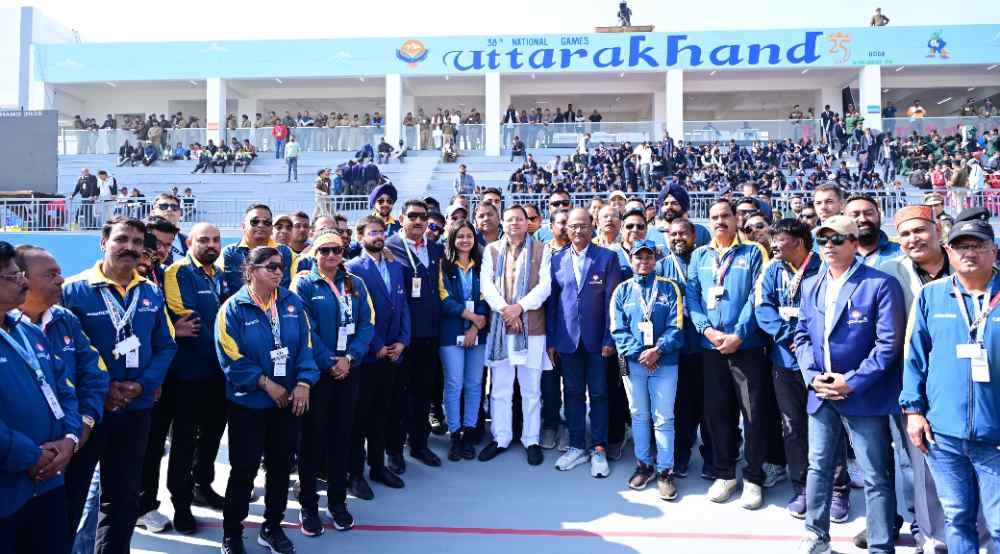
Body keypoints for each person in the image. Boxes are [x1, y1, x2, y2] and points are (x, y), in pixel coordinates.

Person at [62, 217, 177, 552]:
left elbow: (166, 346)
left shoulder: (150, 291)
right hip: (89, 414)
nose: (130, 247)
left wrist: (143, 385)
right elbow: (66, 355)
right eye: (122, 239)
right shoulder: (73, 290)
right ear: (104, 243)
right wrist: (104, 390)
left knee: (123, 498)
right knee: (72, 497)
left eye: (137, 242)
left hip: (136, 409)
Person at [792, 215, 905, 554]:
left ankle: (881, 545)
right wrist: (812, 377)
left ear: (855, 243)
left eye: (837, 239)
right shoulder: (812, 284)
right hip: (821, 392)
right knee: (819, 468)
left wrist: (851, 381)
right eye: (823, 240)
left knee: (875, 474)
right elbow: (801, 336)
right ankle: (816, 536)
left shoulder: (880, 284)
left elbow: (887, 346)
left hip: (863, 396)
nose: (829, 245)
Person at [901, 217, 1000, 554]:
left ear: (993, 250)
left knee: (999, 523)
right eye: (961, 246)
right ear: (948, 251)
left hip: (995, 436)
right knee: (957, 517)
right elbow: (914, 358)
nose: (969, 253)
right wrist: (914, 411)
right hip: (942, 434)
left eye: (978, 245)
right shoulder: (931, 295)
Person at [215, 246, 318, 554]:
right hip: (249, 405)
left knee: (280, 467)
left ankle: (272, 526)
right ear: (251, 271)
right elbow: (230, 357)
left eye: (281, 266)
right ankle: (232, 533)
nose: (278, 272)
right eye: (271, 266)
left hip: (286, 404)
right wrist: (265, 383)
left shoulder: (292, 303)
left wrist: (304, 383)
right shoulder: (233, 308)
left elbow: (306, 347)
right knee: (244, 470)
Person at [754, 219, 852, 520]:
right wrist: (789, 337)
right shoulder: (772, 270)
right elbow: (763, 309)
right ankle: (802, 487)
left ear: (798, 242)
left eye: (779, 239)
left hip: (820, 364)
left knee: (828, 426)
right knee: (793, 427)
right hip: (784, 362)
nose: (773, 244)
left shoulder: (823, 268)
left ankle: (838, 490)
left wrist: (806, 342)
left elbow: (828, 311)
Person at [686, 199, 770, 509]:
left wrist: (739, 334)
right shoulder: (700, 255)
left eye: (725, 216)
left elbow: (757, 296)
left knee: (753, 414)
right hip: (711, 347)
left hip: (745, 347)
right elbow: (692, 297)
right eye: (714, 217)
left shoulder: (752, 252)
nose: (720, 221)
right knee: (717, 412)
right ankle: (725, 473)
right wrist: (706, 330)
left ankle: (753, 477)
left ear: (736, 219)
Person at [0, 241, 82, 553]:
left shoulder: (29, 332)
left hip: (49, 483)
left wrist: (70, 439)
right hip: (9, 488)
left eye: (21, 275)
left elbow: (65, 390)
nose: (23, 283)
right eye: (12, 277)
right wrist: (30, 456)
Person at [292, 232, 375, 535]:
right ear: (314, 254)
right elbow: (305, 329)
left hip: (348, 371)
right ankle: (308, 505)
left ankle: (338, 503)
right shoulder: (303, 284)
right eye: (324, 250)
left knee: (342, 438)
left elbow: (367, 324)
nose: (331, 255)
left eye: (336, 250)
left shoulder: (355, 283)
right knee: (312, 441)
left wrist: (349, 358)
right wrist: (329, 361)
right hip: (318, 374)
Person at [160, 223, 229, 534]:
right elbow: (189, 319)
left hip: (219, 374)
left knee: (213, 436)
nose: (211, 245)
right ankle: (181, 503)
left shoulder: (220, 274)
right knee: (184, 442)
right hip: (189, 375)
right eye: (204, 240)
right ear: (189, 242)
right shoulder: (177, 272)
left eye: (216, 240)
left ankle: (204, 486)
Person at [548, 208, 623, 476]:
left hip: (598, 341)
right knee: (572, 393)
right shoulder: (556, 259)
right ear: (566, 229)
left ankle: (599, 448)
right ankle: (577, 445)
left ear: (592, 227)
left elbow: (613, 302)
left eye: (583, 225)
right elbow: (553, 304)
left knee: (600, 393)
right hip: (567, 340)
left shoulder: (608, 258)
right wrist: (552, 339)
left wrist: (609, 338)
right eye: (573, 226)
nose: (578, 231)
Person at [478, 205, 552, 464]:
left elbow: (545, 286)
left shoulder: (542, 250)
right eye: (509, 219)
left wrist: (519, 308)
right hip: (501, 328)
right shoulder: (491, 250)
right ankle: (501, 437)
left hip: (532, 328)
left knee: (531, 389)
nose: (515, 224)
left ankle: (531, 439)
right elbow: (486, 285)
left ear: (526, 223)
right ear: (502, 222)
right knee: (500, 388)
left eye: (519, 219)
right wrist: (506, 310)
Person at [611, 238, 684, 499]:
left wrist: (657, 350)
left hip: (665, 362)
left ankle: (665, 470)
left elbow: (677, 326)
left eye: (649, 256)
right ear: (631, 260)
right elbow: (617, 329)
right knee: (639, 415)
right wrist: (639, 354)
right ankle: (644, 465)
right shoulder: (621, 290)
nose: (644, 261)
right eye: (638, 257)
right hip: (634, 364)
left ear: (655, 259)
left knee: (664, 418)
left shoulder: (669, 287)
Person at [344, 216, 410, 499]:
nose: (379, 236)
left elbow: (403, 306)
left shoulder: (395, 266)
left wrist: (403, 341)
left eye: (381, 231)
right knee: (360, 418)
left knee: (382, 415)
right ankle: (355, 474)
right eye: (372, 232)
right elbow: (356, 315)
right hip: (368, 357)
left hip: (393, 355)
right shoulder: (352, 269)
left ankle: (378, 466)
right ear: (360, 237)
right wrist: (377, 346)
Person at [385, 199, 445, 468]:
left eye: (423, 216)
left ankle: (420, 444)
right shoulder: (389, 247)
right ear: (401, 219)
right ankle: (394, 451)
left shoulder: (434, 248)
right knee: (398, 396)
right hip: (401, 337)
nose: (419, 221)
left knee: (422, 393)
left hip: (429, 333)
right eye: (413, 216)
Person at [437, 221, 490, 460]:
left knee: (474, 384)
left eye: (469, 236)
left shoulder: (482, 266)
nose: (465, 240)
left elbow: (486, 298)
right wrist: (471, 317)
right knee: (454, 384)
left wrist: (476, 328)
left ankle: (469, 432)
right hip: (451, 333)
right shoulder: (444, 266)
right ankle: (455, 434)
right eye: (460, 236)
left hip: (478, 333)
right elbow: (444, 299)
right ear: (452, 240)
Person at [221, 204, 297, 295]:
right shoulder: (228, 253)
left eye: (266, 222)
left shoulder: (286, 252)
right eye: (255, 221)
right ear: (243, 227)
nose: (261, 225)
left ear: (271, 228)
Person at [844, 195, 901, 269]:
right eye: (855, 215)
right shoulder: (834, 256)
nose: (863, 219)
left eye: (869, 213)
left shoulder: (901, 254)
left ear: (879, 216)